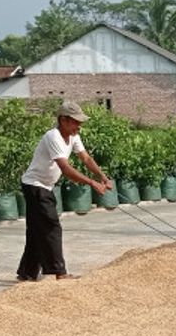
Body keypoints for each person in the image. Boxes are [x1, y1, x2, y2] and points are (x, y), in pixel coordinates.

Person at [16, 101, 113, 282]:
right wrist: (92, 183)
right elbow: (66, 169)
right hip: (35, 185)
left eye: (80, 122)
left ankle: (27, 272)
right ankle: (60, 272)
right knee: (51, 227)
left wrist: (102, 176)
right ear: (63, 120)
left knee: (37, 230)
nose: (79, 126)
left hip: (44, 185)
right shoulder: (53, 137)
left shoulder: (73, 135)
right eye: (76, 122)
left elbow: (85, 158)